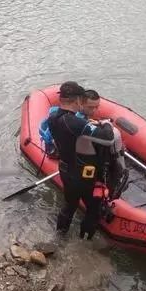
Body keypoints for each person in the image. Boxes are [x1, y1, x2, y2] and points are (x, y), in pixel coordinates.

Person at [47, 81, 116, 239]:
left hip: (65, 169)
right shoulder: (74, 122)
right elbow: (108, 138)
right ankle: (85, 243)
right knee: (93, 209)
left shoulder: (53, 117)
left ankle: (60, 237)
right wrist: (106, 124)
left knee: (69, 206)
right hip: (83, 176)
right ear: (77, 100)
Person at [80, 89, 128, 195]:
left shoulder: (83, 118)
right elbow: (107, 139)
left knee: (112, 137)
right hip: (81, 159)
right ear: (81, 103)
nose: (94, 110)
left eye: (96, 107)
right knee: (113, 135)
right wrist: (106, 124)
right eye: (90, 107)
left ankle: (117, 172)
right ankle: (113, 176)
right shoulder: (77, 120)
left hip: (85, 151)